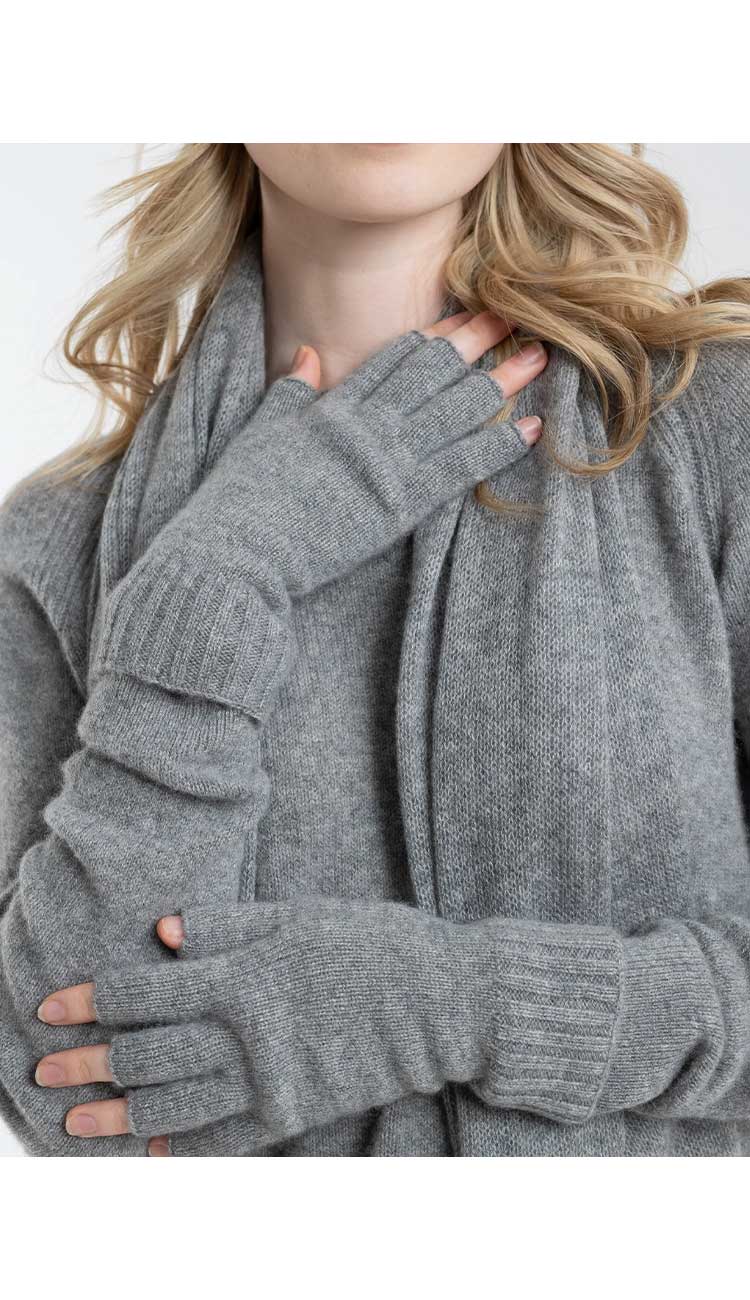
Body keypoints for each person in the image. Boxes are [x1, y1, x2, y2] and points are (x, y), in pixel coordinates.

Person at [1, 143, 750, 1158]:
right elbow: (68, 1088)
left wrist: (447, 1005)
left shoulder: (708, 431)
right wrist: (223, 570)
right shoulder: (59, 539)